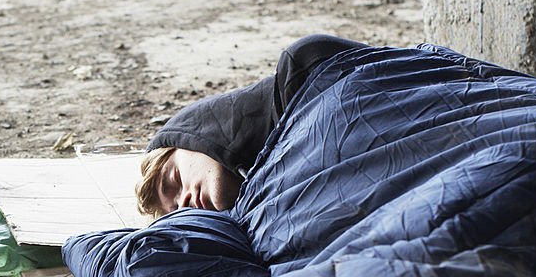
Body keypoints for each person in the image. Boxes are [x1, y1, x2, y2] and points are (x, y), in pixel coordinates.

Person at [136, 34, 366, 216]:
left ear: (191, 136)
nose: (185, 200)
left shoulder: (305, 70)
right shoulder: (269, 216)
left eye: (175, 180)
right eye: (176, 211)